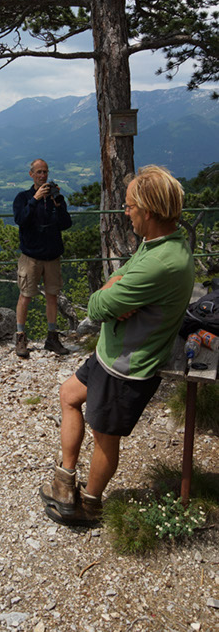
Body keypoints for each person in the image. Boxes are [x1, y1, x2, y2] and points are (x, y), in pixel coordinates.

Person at [40, 165, 195, 527]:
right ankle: (65, 482)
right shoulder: (161, 243)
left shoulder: (160, 263)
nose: (125, 214)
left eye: (130, 207)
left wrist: (110, 297)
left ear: (150, 211)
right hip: (111, 354)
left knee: (105, 439)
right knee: (68, 394)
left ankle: (88, 506)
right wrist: (115, 292)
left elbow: (96, 307)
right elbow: (117, 280)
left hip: (126, 365)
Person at [13, 159, 72, 358]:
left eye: (45, 172)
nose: (42, 175)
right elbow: (20, 220)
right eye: (38, 172)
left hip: (52, 255)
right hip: (31, 256)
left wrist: (59, 204)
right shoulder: (23, 197)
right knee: (25, 295)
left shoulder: (55, 198)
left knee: (52, 296)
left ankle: (52, 337)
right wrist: (35, 199)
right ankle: (20, 336)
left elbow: (66, 224)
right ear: (31, 174)